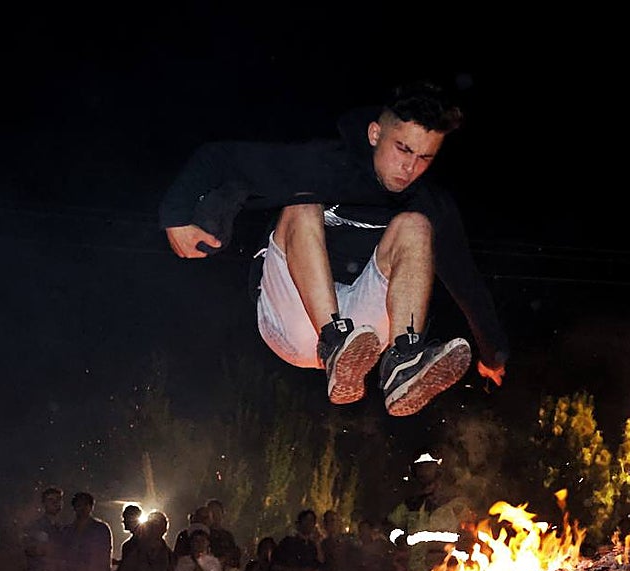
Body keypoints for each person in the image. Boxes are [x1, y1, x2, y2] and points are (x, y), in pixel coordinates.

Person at [161, 80, 508, 416]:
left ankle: (404, 359)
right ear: (375, 134)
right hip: (292, 319)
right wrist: (175, 216)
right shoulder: (324, 163)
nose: (410, 168)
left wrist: (493, 354)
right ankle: (333, 341)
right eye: (403, 149)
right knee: (303, 204)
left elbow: (467, 282)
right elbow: (220, 157)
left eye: (424, 158)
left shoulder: (431, 203)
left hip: (364, 335)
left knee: (417, 225)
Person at [386, 452, 470, 571]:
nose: (424, 471)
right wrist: (399, 539)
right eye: (421, 467)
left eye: (428, 467)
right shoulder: (411, 504)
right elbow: (390, 526)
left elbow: (471, 530)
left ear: (438, 471)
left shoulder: (453, 502)